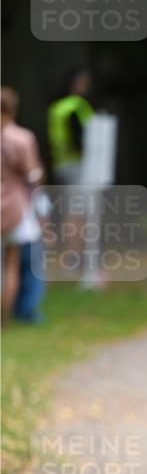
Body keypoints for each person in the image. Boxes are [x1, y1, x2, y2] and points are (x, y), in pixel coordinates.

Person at [1, 87, 44, 323]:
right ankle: (8, 314)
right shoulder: (21, 138)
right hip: (14, 206)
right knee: (13, 262)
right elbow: (32, 174)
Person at [47, 67, 94, 185]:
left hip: (59, 164)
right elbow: (78, 135)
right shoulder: (76, 105)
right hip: (77, 163)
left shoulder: (57, 107)